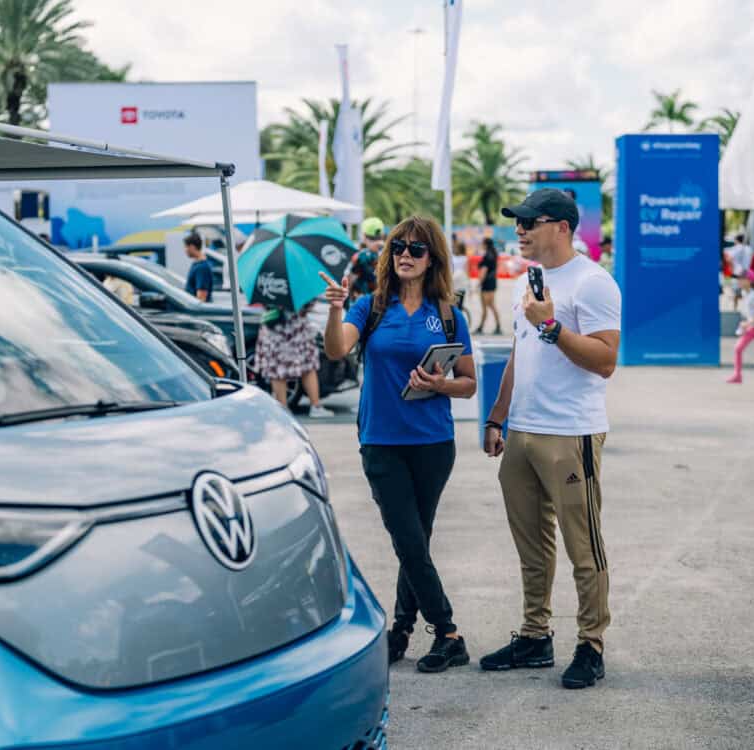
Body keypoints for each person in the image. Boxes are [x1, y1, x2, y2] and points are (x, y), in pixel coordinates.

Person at [321, 215, 476, 674]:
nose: (405, 255)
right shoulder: (369, 307)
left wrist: (439, 384)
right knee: (408, 539)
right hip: (381, 441)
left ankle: (402, 631)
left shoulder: (448, 315)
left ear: (432, 260)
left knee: (417, 541)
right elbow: (335, 350)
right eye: (398, 248)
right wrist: (335, 308)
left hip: (432, 443)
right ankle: (448, 633)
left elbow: (468, 383)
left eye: (416, 249)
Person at [479, 188, 621, 690]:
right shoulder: (527, 281)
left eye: (529, 222)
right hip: (522, 431)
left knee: (584, 545)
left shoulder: (594, 282)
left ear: (561, 227)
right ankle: (536, 636)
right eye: (517, 222)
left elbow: (605, 360)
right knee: (531, 545)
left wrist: (553, 325)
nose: (519, 229)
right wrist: (497, 418)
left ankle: (591, 643)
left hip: (570, 432)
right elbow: (520, 355)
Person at [253, 303, 334, 418]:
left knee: (278, 371)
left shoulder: (267, 286)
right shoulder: (298, 287)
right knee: (308, 367)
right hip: (296, 330)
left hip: (274, 330)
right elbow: (308, 305)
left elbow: (263, 303)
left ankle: (283, 409)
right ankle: (315, 406)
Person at [348, 217, 385, 301]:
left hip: (362, 300)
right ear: (382, 235)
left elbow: (350, 280)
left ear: (364, 236)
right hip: (382, 301)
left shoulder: (361, 256)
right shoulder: (390, 253)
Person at [473, 237, 502, 335]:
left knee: (487, 306)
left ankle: (482, 327)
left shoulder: (487, 256)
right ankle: (494, 326)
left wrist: (479, 283)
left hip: (486, 284)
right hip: (492, 282)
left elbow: (483, 271)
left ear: (485, 244)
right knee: (491, 305)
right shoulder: (493, 254)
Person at [184, 232, 213, 302]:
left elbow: (201, 298)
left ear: (192, 247)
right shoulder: (197, 264)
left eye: (185, 247)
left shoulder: (202, 268)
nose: (185, 250)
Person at [727, 232, 753, 311]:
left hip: (737, 273)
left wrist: (732, 267)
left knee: (736, 293)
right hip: (748, 273)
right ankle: (747, 310)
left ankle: (735, 310)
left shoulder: (736, 248)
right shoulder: (749, 248)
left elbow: (729, 259)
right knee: (747, 292)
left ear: (736, 240)